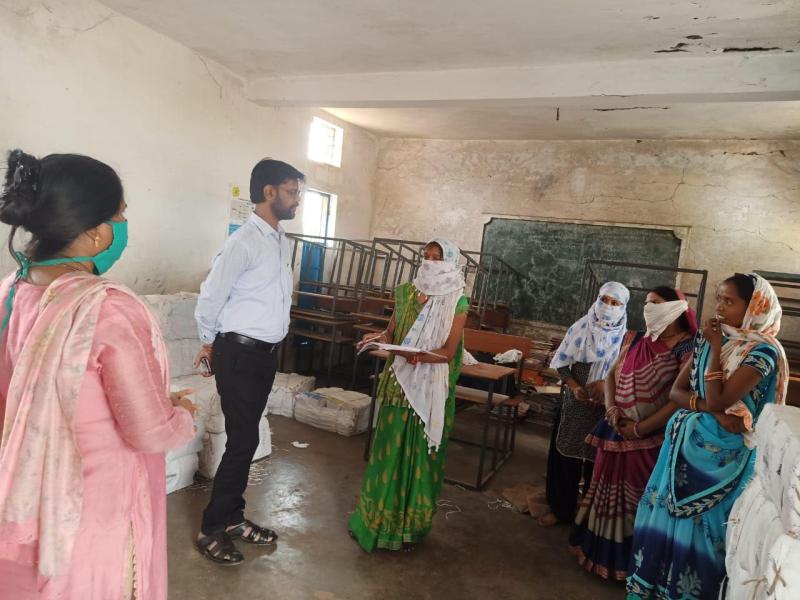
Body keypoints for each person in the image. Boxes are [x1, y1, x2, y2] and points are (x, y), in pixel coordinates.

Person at [0, 149, 197, 599]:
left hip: (21, 501)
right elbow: (148, 431)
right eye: (120, 214)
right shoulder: (107, 308)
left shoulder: (12, 289)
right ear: (92, 233)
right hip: (86, 511)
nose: (124, 225)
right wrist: (178, 413)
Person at [627, 274, 789, 600]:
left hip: (724, 460)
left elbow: (718, 397)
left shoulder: (762, 353)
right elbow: (678, 391)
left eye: (729, 302)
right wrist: (712, 413)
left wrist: (715, 349)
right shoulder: (708, 339)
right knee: (662, 517)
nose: (720, 308)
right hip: (680, 450)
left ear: (754, 307)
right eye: (719, 299)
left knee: (705, 533)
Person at [193, 159, 303, 565]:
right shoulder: (243, 242)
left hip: (263, 354)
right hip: (238, 352)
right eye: (292, 192)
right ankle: (212, 528)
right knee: (242, 443)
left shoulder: (280, 240)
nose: (297, 200)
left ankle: (234, 518)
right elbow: (210, 296)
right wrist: (208, 343)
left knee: (247, 439)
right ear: (270, 192)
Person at [569, 287, 697, 581]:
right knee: (602, 489)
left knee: (636, 500)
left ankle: (630, 566)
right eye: (648, 303)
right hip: (614, 431)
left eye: (658, 304)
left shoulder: (687, 348)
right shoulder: (635, 338)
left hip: (650, 440)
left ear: (677, 308)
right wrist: (611, 408)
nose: (649, 308)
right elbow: (612, 373)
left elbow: (680, 397)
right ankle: (595, 553)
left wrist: (641, 428)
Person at [348, 239, 468, 552]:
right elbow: (392, 333)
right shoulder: (405, 291)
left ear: (451, 262)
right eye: (426, 257)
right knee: (387, 455)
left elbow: (447, 352)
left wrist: (420, 357)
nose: (430, 263)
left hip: (428, 390)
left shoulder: (457, 300)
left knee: (418, 460)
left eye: (438, 258)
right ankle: (375, 524)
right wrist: (379, 337)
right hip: (398, 384)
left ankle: (408, 528)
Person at [535, 282, 630, 527]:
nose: (608, 307)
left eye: (615, 303)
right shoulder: (579, 328)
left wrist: (606, 386)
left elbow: (627, 373)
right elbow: (562, 365)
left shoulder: (627, 340)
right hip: (575, 405)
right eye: (604, 299)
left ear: (624, 307)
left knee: (595, 462)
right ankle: (560, 509)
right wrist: (575, 386)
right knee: (566, 457)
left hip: (604, 408)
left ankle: (589, 515)